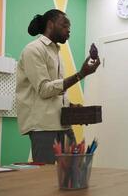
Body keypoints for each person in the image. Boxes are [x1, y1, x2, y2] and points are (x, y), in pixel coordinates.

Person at [16, 9, 100, 164]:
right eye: (65, 25)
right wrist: (80, 74)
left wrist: (70, 105)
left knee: (75, 172)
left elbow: (56, 92)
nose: (68, 30)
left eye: (70, 27)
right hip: (43, 127)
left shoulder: (56, 53)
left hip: (63, 124)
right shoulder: (33, 50)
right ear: (50, 24)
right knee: (46, 180)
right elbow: (44, 89)